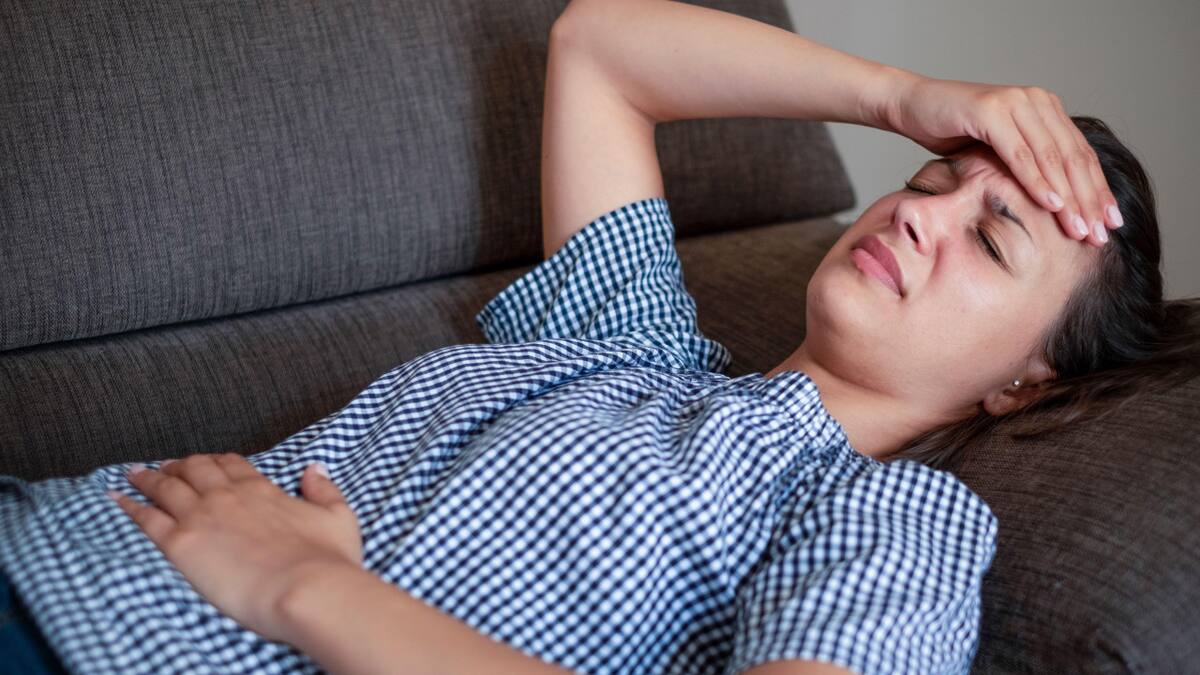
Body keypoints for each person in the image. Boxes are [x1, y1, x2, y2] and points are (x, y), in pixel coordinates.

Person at [2, 0, 1195, 673]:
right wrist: (906, 98)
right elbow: (598, 51)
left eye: (991, 240)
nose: (920, 210)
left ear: (1027, 387)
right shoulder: (632, 345)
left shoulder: (889, 524)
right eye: (934, 178)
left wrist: (301, 583)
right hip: (43, 529)